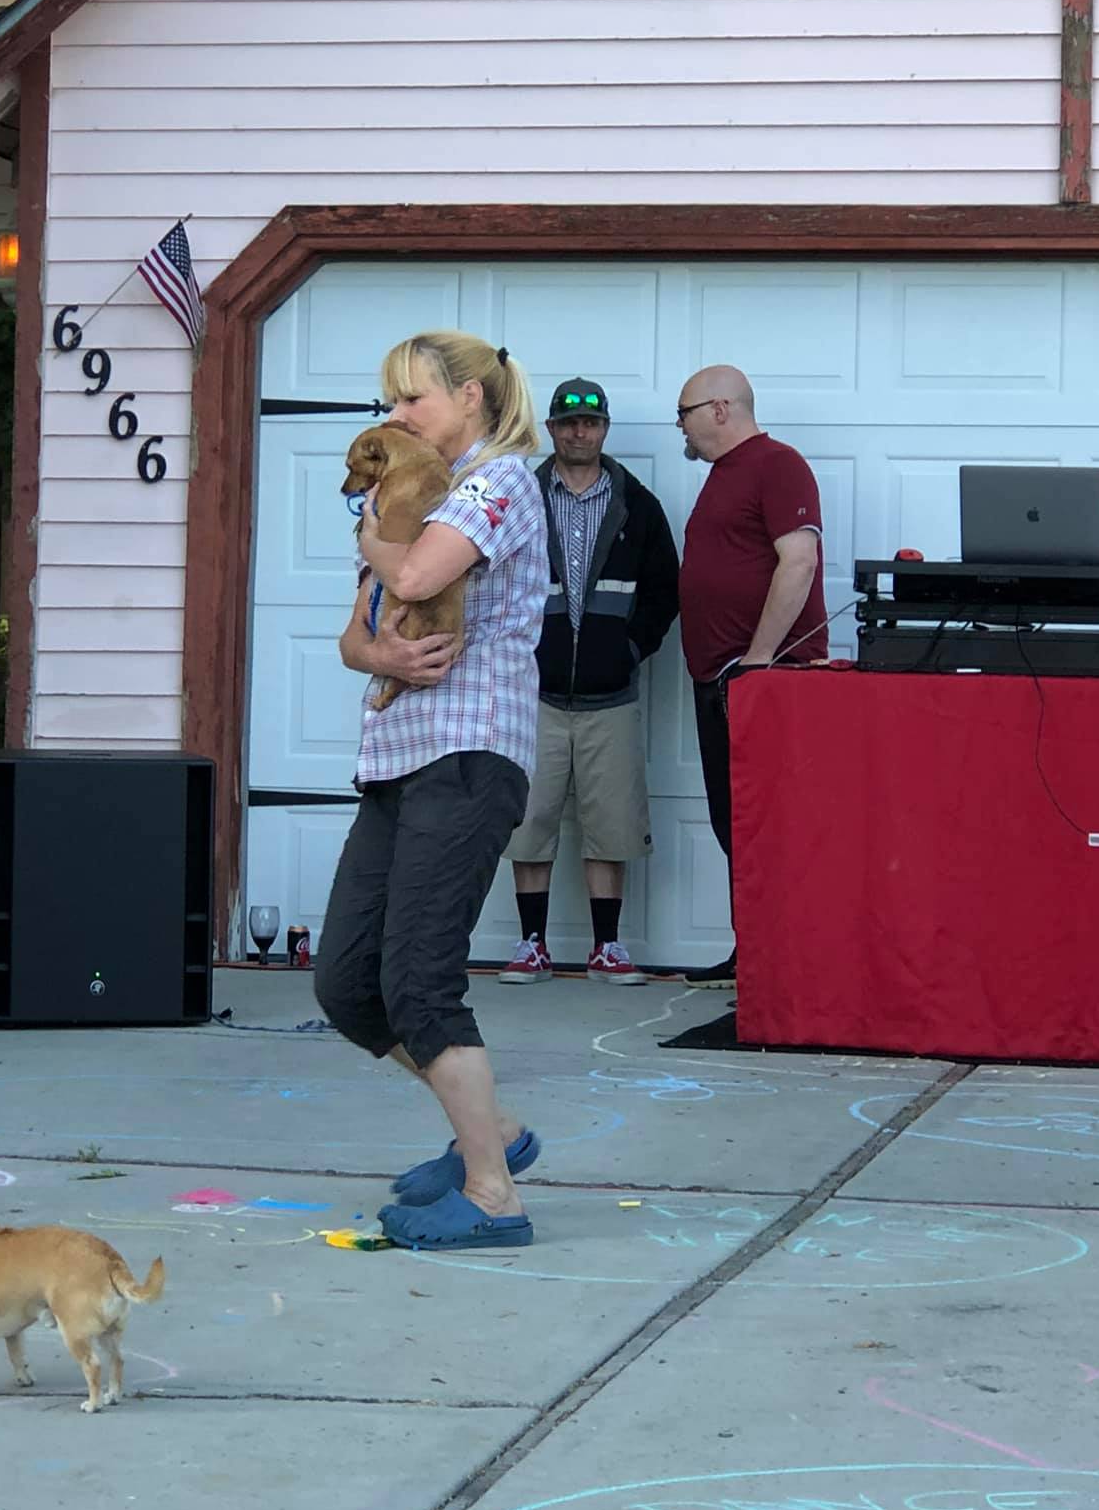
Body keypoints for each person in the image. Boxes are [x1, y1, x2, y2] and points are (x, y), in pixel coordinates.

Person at [313, 331, 548, 1250]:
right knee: (346, 985)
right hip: (396, 757)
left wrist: (375, 540)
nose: (396, 418)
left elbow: (410, 575)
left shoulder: (499, 483)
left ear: (473, 400)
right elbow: (354, 636)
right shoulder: (402, 495)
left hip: (469, 755)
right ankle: (499, 1134)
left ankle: (494, 1196)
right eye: (392, 401)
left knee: (418, 979)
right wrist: (381, 653)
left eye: (413, 399)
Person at [500, 377, 680, 987]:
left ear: (605, 429)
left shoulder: (638, 504)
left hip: (611, 695)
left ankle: (608, 947)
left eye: (592, 423)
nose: (581, 433)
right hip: (533, 695)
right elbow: (486, 574)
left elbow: (665, 591)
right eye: (568, 423)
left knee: (612, 820)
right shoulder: (520, 495)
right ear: (550, 429)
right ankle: (532, 946)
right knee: (529, 819)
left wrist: (631, 649)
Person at [675, 363, 827, 990]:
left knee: (772, 823)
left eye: (683, 414)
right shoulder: (721, 477)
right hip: (721, 679)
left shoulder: (776, 464)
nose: (678, 429)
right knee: (734, 821)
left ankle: (787, 960)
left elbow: (799, 561)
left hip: (766, 681)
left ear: (718, 409)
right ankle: (755, 954)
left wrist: (759, 661)